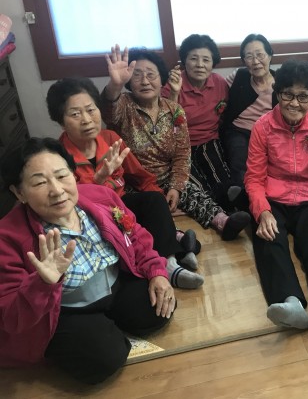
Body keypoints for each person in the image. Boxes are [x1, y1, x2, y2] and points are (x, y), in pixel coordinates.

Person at [0, 138, 174, 384]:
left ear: (73, 174)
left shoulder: (99, 196)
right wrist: (41, 284)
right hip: (63, 312)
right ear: (19, 193)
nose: (57, 190)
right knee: (103, 359)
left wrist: (157, 272)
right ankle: (97, 333)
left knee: (157, 311)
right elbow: (10, 317)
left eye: (62, 175)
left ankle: (104, 325)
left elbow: (136, 236)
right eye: (39, 182)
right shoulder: (6, 238)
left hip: (114, 286)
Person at [46, 77, 204, 289]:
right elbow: (73, 206)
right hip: (93, 221)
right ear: (61, 122)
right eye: (75, 114)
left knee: (153, 200)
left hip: (120, 207)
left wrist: (161, 204)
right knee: (140, 227)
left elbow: (140, 176)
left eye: (91, 110)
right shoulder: (58, 157)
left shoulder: (111, 139)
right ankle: (180, 248)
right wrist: (98, 181)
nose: (87, 119)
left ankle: (170, 262)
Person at [100, 45, 250, 240]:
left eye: (151, 74)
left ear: (161, 78)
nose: (145, 81)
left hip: (166, 174)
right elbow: (108, 110)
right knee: (145, 209)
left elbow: (182, 153)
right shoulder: (124, 105)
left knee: (195, 191)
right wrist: (115, 84)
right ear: (128, 80)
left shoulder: (174, 109)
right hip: (134, 181)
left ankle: (223, 222)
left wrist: (176, 187)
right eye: (137, 75)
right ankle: (177, 237)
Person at [245, 59, 308, 332]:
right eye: (288, 95)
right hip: (273, 198)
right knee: (269, 240)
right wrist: (263, 211)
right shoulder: (263, 127)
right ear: (278, 94)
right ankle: (290, 303)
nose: (294, 103)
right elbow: (254, 178)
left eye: (303, 96)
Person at [162, 34, 236, 208]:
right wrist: (174, 93)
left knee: (221, 179)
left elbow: (225, 114)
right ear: (184, 61)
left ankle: (232, 211)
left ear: (213, 63)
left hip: (209, 140)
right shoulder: (172, 85)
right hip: (180, 146)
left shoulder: (219, 83)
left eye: (206, 60)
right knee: (197, 186)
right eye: (194, 59)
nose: (200, 65)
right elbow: (165, 123)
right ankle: (215, 213)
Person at [222, 34, 277, 187]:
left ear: (270, 55)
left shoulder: (280, 83)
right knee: (240, 159)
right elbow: (217, 90)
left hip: (268, 133)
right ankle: (243, 193)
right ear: (244, 61)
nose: (256, 61)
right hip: (239, 131)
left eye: (260, 55)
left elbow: (302, 83)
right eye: (249, 56)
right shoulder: (239, 76)